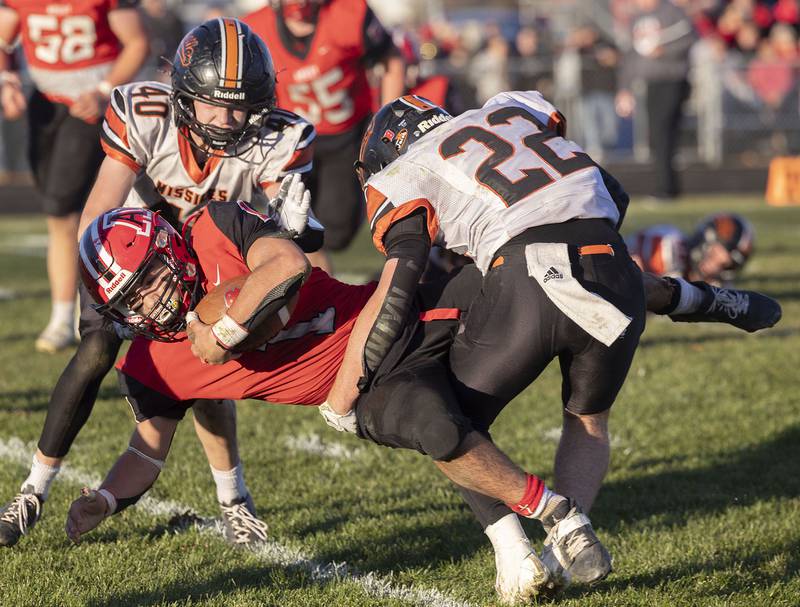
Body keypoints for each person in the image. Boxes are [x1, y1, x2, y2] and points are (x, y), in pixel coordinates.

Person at [323, 92, 782, 600]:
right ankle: (560, 555)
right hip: (611, 268)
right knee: (588, 419)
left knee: (447, 421)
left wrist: (346, 391)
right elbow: (612, 192)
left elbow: (396, 290)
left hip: (527, 275)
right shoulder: (511, 110)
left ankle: (530, 540)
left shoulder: (405, 172)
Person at [66, 204, 614, 601]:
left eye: (149, 278)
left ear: (168, 249)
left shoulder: (213, 227)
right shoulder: (153, 363)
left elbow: (287, 265)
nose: (152, 299)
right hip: (366, 389)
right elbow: (145, 452)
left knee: (539, 278)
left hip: (392, 317)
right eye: (132, 298)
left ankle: (656, 287)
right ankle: (542, 525)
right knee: (441, 428)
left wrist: (226, 331)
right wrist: (107, 499)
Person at [0, 18, 320, 549]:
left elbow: (299, 236)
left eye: (239, 107)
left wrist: (294, 227)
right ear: (184, 94)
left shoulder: (277, 138)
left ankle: (234, 500)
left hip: (202, 259)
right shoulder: (145, 113)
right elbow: (98, 212)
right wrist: (113, 281)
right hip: (131, 255)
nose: (226, 120)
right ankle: (34, 487)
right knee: (95, 351)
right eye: (212, 104)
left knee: (208, 369)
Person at [0, 0, 149, 352]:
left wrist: (103, 90)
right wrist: (7, 81)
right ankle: (69, 314)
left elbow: (137, 42)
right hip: (46, 103)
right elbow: (3, 40)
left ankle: (67, 318)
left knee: (63, 209)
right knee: (58, 213)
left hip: (92, 106)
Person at [244, 0, 405, 271]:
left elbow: (390, 59)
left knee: (337, 233)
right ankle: (313, 285)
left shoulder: (348, 14)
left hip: (345, 138)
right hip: (289, 141)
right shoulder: (256, 27)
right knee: (295, 227)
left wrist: (387, 121)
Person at [628, 212, 755, 285]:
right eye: (714, 255)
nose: (715, 267)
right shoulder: (668, 245)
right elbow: (631, 280)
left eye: (725, 264)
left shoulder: (718, 286)